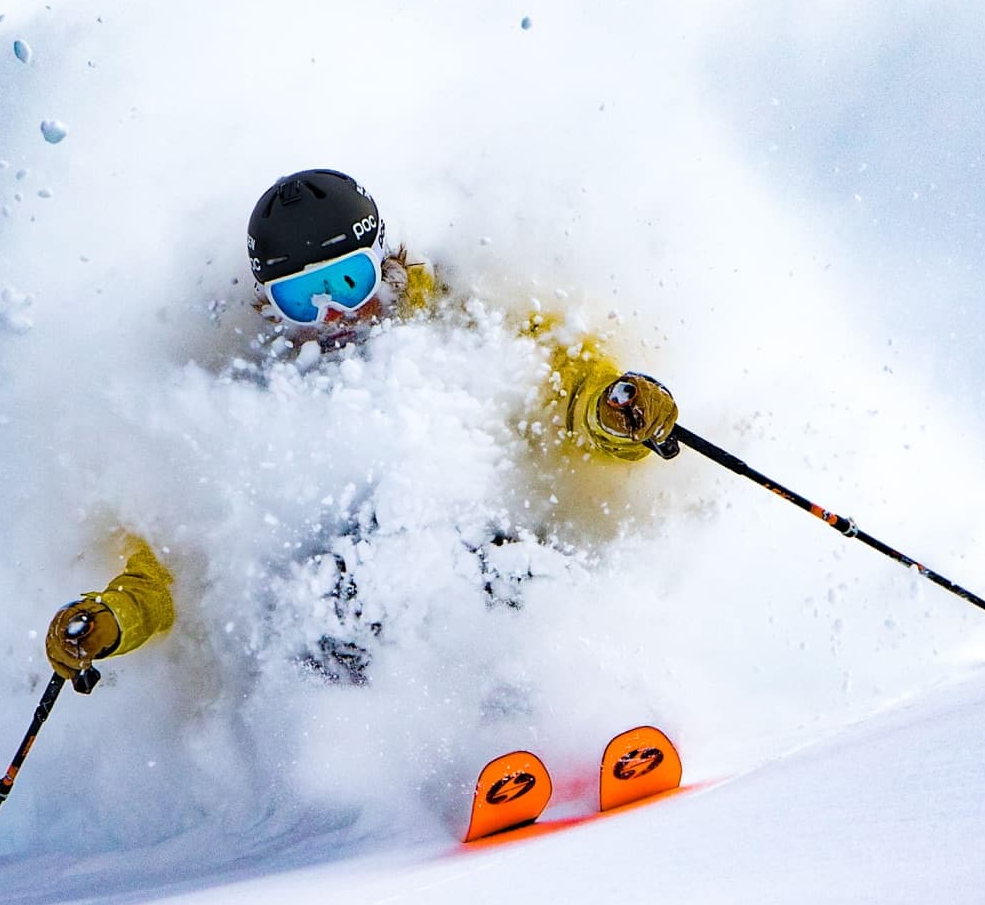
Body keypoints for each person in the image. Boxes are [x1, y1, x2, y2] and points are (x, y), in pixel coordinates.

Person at [41, 169, 678, 688]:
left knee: (501, 564)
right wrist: (114, 618)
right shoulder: (251, 398)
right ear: (270, 302)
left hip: (484, 568)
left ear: (385, 260)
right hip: (347, 629)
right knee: (314, 602)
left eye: (349, 281)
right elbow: (176, 550)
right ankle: (391, 780)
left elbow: (564, 389)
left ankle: (585, 702)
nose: (332, 314)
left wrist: (615, 410)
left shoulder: (457, 323)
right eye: (301, 298)